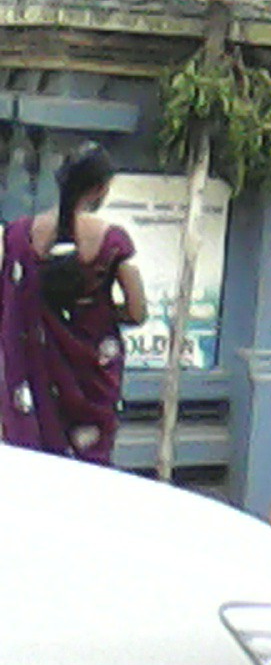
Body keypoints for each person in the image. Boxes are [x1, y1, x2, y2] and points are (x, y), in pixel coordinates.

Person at [0, 143, 147, 463]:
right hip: (89, 389)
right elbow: (137, 311)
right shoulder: (113, 242)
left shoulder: (17, 237)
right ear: (100, 189)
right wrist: (97, 314)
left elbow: (9, 304)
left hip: (34, 389)